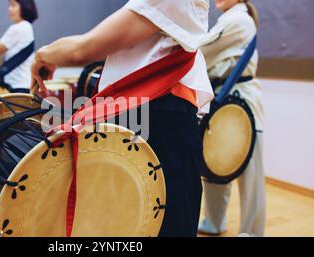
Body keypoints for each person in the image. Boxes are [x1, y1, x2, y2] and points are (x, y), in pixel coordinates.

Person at [31, 0, 214, 237]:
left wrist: (43, 54)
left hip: (161, 121)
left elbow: (83, 49)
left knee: (163, 224)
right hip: (148, 117)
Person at [198, 0, 266, 237]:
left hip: (242, 100)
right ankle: (215, 221)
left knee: (250, 172)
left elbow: (200, 49)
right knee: (215, 161)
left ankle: (254, 232)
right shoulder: (229, 19)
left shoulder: (239, 20)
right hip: (221, 97)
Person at [0, 0, 38, 90]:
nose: (9, 9)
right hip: (24, 84)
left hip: (18, 86)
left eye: (13, 5)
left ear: (25, 7)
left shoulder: (19, 28)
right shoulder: (27, 27)